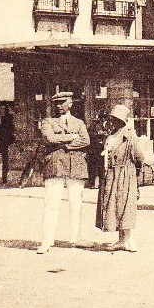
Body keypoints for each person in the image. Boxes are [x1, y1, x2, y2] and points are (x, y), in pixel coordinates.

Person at [37, 91, 90, 254]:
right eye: (56, 103)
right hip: (55, 165)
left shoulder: (79, 122)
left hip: (76, 166)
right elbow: (50, 139)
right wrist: (72, 137)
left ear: (71, 104)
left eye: (62, 102)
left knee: (76, 204)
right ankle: (46, 241)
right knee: (51, 204)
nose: (59, 106)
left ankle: (75, 238)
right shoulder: (48, 122)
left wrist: (67, 144)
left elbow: (86, 141)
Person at [95, 104, 144, 252]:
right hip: (111, 174)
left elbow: (139, 156)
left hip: (125, 173)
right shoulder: (112, 135)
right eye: (112, 119)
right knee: (114, 206)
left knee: (125, 205)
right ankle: (121, 240)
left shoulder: (129, 135)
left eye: (116, 119)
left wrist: (135, 173)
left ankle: (129, 240)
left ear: (122, 121)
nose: (113, 121)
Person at [85, 111, 107, 190]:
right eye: (103, 117)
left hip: (101, 148)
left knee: (101, 167)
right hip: (93, 149)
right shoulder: (93, 125)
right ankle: (91, 183)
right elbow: (89, 134)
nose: (103, 119)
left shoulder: (106, 125)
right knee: (92, 167)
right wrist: (98, 133)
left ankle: (101, 183)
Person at [0, 106, 15, 185]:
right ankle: (5, 179)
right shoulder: (8, 123)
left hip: (6, 144)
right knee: (6, 163)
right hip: (7, 144)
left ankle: (5, 179)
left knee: (5, 163)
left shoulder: (4, 124)